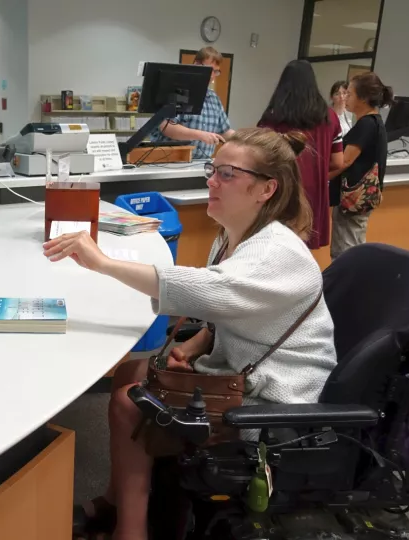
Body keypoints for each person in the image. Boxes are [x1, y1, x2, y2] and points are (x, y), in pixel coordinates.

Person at [44, 128, 338, 540]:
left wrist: (102, 262)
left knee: (131, 400)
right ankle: (117, 499)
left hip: (276, 401)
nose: (211, 180)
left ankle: (131, 529)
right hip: (243, 372)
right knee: (134, 375)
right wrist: (199, 342)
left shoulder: (278, 252)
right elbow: (237, 310)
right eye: (212, 169)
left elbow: (211, 290)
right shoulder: (235, 237)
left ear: (266, 189)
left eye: (228, 174)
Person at [258, 60, 344, 250]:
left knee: (274, 247)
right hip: (315, 195)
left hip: (281, 192)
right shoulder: (329, 117)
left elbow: (260, 158)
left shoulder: (273, 117)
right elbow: (338, 162)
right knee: (302, 252)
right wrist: (318, 174)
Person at [328, 72, 393, 260]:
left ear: (363, 98)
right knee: (354, 244)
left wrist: (320, 178)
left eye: (349, 94)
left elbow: (345, 161)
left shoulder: (366, 125)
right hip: (361, 200)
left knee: (345, 250)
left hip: (352, 199)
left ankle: (347, 287)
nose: (345, 98)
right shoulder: (375, 123)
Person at [149, 46, 235, 159]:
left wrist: (247, 138)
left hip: (200, 164)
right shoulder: (176, 92)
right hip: (170, 162)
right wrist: (200, 135)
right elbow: (167, 127)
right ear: (196, 65)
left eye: (216, 71)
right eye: (210, 70)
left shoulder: (214, 98)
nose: (212, 75)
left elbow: (225, 131)